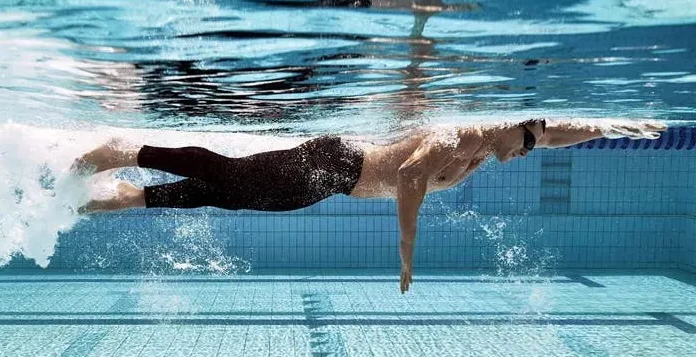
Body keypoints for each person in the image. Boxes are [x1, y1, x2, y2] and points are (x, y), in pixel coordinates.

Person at [72, 118, 665, 292]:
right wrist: (406, 255)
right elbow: (409, 177)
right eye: (526, 144)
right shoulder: (459, 138)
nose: (526, 155)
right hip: (334, 164)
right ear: (512, 125)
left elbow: (556, 131)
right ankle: (124, 150)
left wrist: (613, 127)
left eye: (534, 146)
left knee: (234, 196)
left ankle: (131, 196)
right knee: (231, 178)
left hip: (331, 180)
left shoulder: (498, 144)